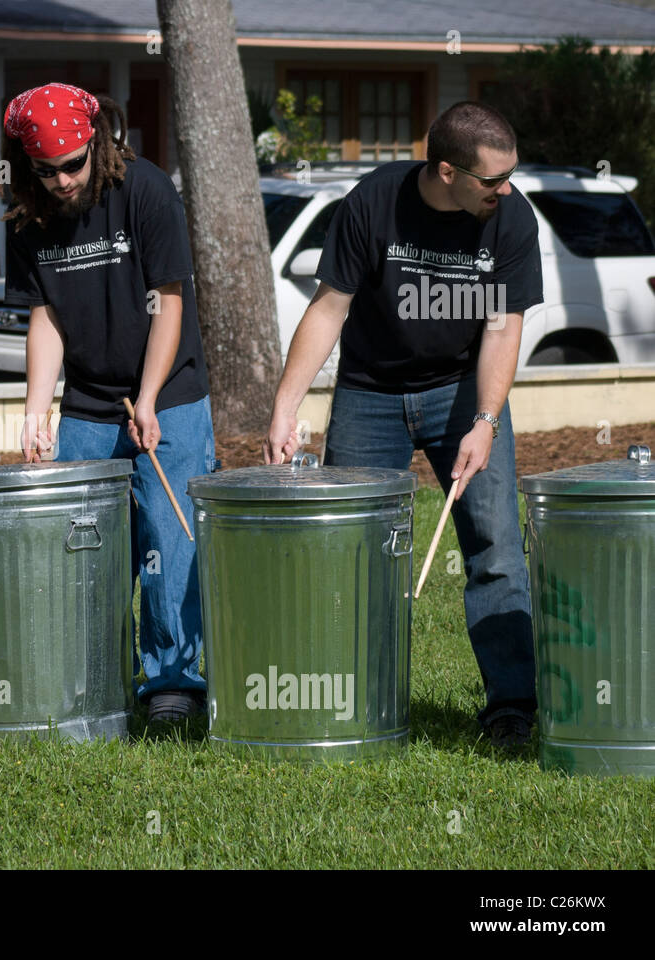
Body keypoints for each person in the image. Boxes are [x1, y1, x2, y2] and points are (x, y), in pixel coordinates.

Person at [263, 101, 542, 748]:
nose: (506, 191)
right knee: (352, 556)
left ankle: (511, 710)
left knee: (496, 549)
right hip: (369, 392)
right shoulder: (372, 203)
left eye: (510, 177)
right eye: (492, 182)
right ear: (447, 171)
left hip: (461, 392)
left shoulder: (511, 219)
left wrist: (486, 420)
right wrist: (285, 406)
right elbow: (329, 309)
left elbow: (504, 326)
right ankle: (356, 701)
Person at [3, 83, 215, 723]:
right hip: (90, 405)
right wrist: (38, 407)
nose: (63, 180)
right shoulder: (31, 216)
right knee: (85, 544)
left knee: (169, 542)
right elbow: (45, 315)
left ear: (96, 144)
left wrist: (148, 397)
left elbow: (168, 302)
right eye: (48, 170)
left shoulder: (146, 191)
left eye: (73, 164)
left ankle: (172, 683)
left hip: (168, 395)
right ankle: (94, 677)